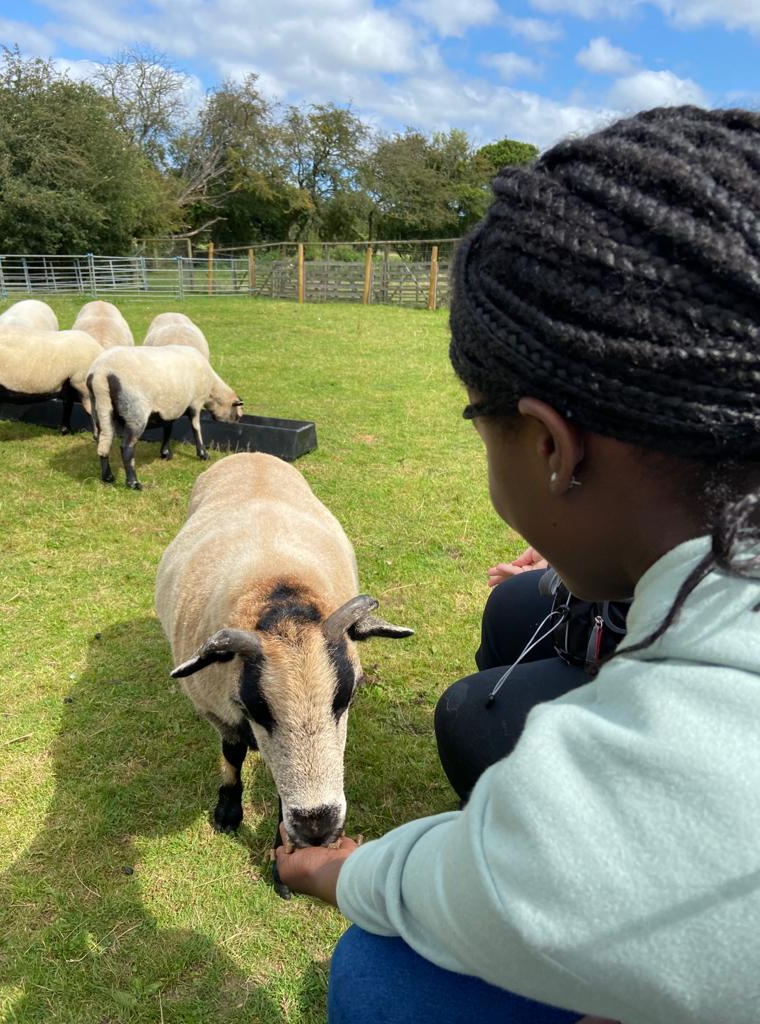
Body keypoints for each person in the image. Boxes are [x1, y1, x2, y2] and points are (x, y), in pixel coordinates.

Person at [275, 105, 760, 1024]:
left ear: (548, 446)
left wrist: (335, 868)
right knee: (516, 616)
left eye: (481, 427)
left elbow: (496, 875)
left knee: (383, 981)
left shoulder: (690, 766)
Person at [435, 549, 630, 804]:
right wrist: (562, 559)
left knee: (464, 714)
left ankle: (522, 818)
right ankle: (507, 769)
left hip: (652, 659)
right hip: (617, 602)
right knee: (510, 602)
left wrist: (579, 560)